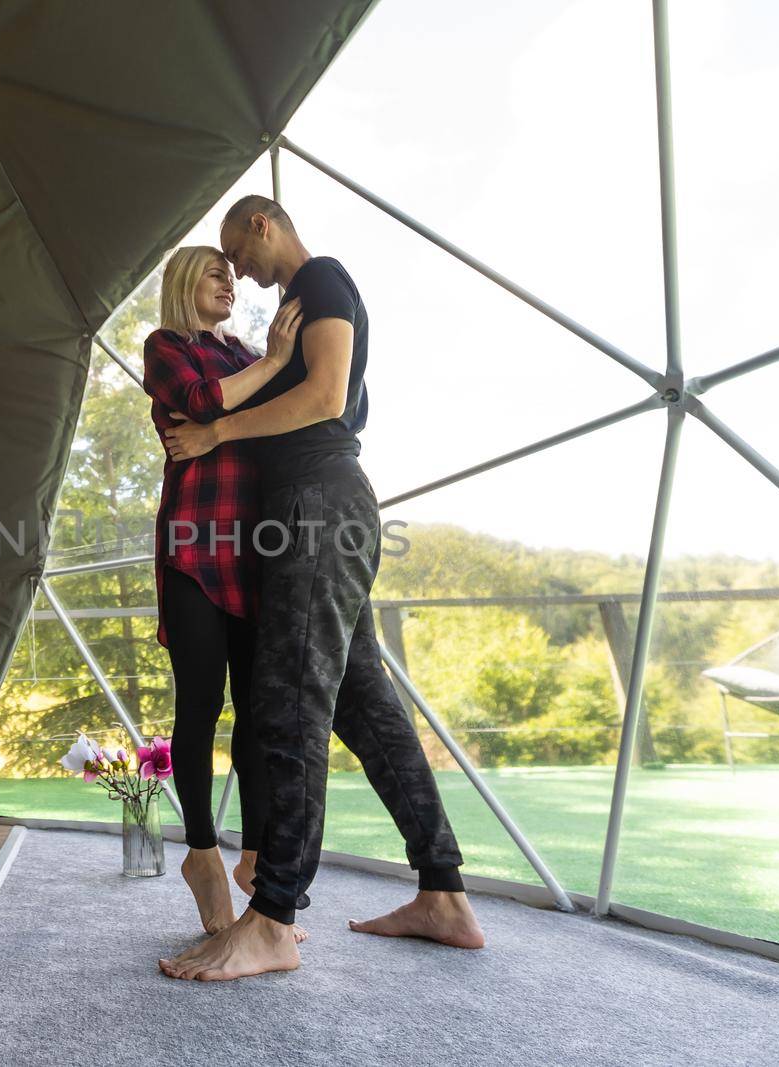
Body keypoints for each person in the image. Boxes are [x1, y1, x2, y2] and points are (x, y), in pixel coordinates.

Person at [157, 196, 485, 981]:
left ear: (262, 224)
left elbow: (326, 398)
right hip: (307, 512)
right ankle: (443, 891)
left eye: (237, 252)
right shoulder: (274, 325)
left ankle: (272, 918)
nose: (239, 271)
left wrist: (216, 432)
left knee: (287, 704)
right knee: (363, 706)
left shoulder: (324, 281)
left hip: (317, 504)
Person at [141, 245, 304, 935]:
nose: (229, 283)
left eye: (232, 276)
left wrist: (241, 401)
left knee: (260, 711)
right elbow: (201, 402)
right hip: (192, 547)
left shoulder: (242, 353)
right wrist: (268, 366)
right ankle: (203, 854)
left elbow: (266, 420)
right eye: (216, 273)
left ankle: (258, 864)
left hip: (253, 554)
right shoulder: (165, 347)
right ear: (185, 283)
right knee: (202, 702)